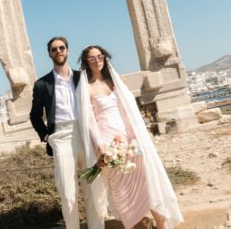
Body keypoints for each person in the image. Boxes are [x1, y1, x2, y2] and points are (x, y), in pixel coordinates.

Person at [77, 45, 184, 229]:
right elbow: (90, 121)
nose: (97, 60)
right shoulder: (86, 88)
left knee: (146, 184)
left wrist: (135, 137)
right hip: (107, 142)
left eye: (100, 56)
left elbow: (128, 110)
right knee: (122, 192)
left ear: (105, 57)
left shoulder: (116, 82)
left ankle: (161, 225)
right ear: (86, 61)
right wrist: (101, 147)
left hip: (129, 139)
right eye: (92, 58)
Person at [30, 37, 105, 229]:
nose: (58, 51)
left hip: (85, 134)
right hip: (61, 138)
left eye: (61, 48)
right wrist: (48, 137)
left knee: (93, 189)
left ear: (68, 51)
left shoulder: (82, 77)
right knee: (67, 194)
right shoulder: (42, 84)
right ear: (49, 54)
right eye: (54, 49)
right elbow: (35, 116)